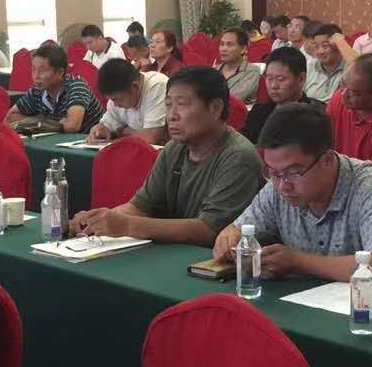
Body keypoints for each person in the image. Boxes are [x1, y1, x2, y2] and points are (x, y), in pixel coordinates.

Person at [213, 104, 372, 285]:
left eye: (294, 172)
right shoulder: (278, 186)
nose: (283, 186)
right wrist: (230, 240)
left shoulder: (371, 187)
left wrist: (298, 262)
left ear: (327, 160)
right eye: (273, 173)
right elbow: (236, 230)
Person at [71, 66, 262, 245]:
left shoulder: (238, 156)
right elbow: (139, 207)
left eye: (182, 105)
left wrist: (127, 225)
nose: (171, 115)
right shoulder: (174, 149)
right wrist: (97, 220)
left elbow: (208, 229)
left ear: (215, 108)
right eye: (168, 105)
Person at [6, 43, 103, 134]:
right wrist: (40, 121)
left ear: (60, 73)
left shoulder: (77, 86)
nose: (36, 76)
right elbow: (9, 118)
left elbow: (72, 126)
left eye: (42, 71)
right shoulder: (37, 90)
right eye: (34, 70)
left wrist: (35, 122)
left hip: (92, 143)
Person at [243, 46, 325, 143]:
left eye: (280, 79)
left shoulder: (316, 115)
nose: (274, 85)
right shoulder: (259, 112)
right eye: (269, 78)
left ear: (301, 79)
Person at [89, 58, 168, 145]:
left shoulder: (157, 86)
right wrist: (99, 131)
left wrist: (123, 132)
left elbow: (150, 138)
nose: (115, 104)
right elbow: (106, 126)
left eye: (118, 99)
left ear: (135, 87)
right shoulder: (118, 95)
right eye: (112, 100)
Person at [216, 27, 262, 103]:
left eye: (229, 45)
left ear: (243, 49)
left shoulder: (251, 71)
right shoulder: (214, 70)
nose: (223, 49)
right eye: (222, 44)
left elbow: (235, 97)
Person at [304, 24, 347, 102]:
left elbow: (361, 68)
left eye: (325, 46)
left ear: (336, 46)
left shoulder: (349, 67)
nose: (320, 51)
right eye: (316, 47)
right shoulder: (309, 66)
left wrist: (341, 44)